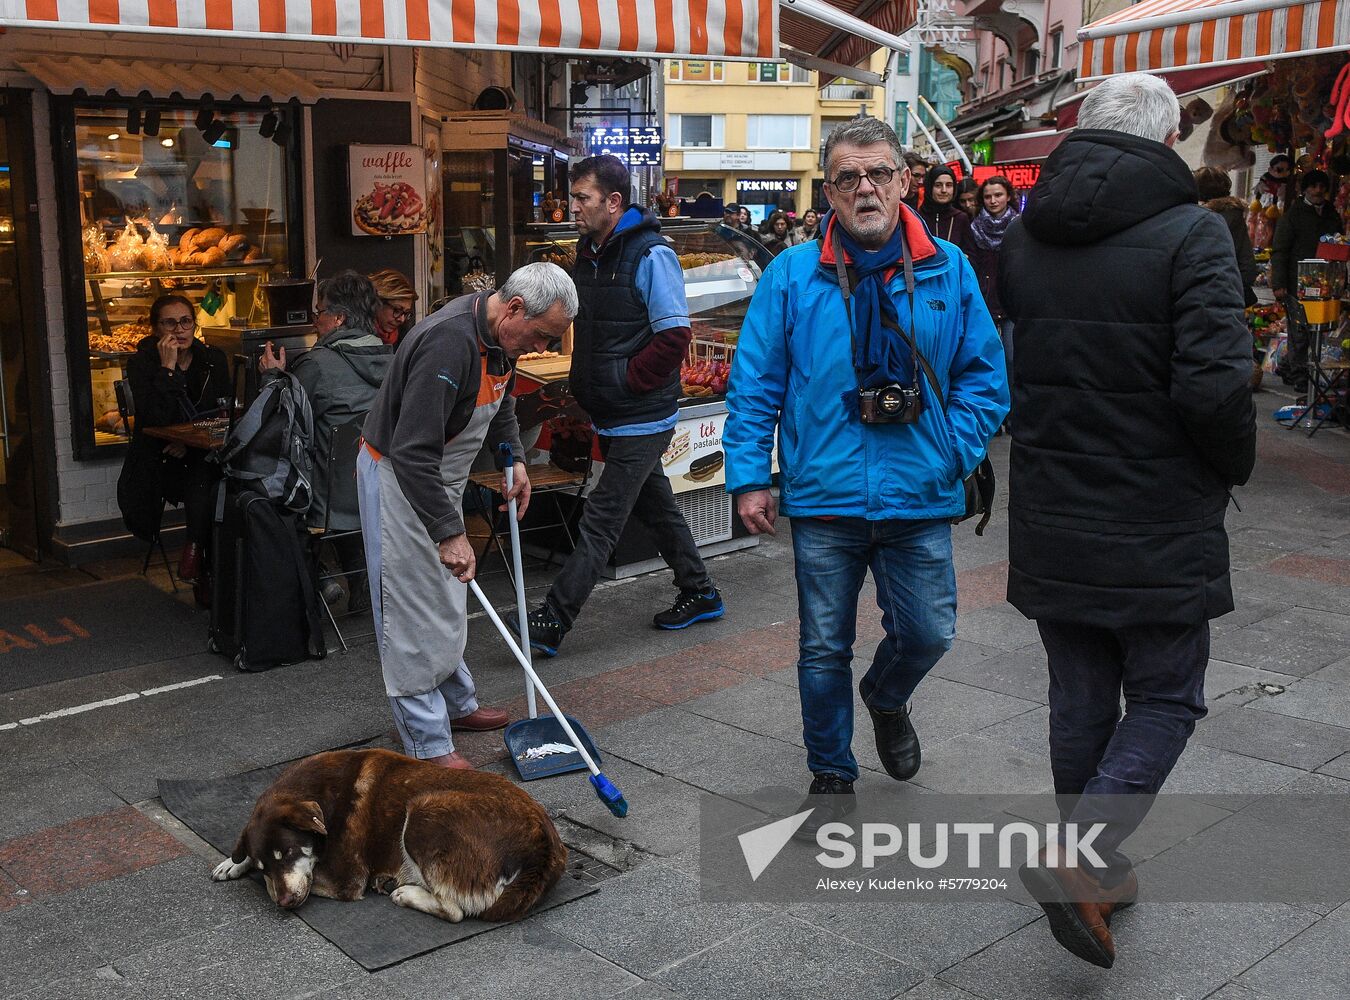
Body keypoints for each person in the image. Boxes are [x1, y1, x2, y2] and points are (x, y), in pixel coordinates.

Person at [998, 73, 1256, 969]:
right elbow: (1216, 387)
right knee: (1166, 693)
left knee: (1079, 697)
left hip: (1054, 504)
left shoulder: (1028, 237)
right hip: (1154, 509)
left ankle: (1098, 876)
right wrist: (1232, 465)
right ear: (1165, 141)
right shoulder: (1193, 236)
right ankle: (1082, 860)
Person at [724, 116, 1008, 839]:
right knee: (823, 645)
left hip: (919, 490)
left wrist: (952, 449)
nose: (866, 188)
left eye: (879, 173)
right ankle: (831, 771)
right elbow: (755, 383)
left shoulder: (948, 265)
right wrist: (751, 475)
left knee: (930, 633)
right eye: (848, 177)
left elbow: (985, 377)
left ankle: (887, 695)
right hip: (825, 495)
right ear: (829, 191)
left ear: (905, 181)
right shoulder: (793, 274)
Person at [358, 263, 576, 769]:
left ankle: (456, 703)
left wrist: (513, 455)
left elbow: (499, 397)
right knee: (410, 606)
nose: (543, 349)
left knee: (448, 595)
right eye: (542, 336)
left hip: (440, 476)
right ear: (516, 308)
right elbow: (412, 452)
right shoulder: (447, 343)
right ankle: (426, 741)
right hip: (401, 476)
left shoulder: (500, 336)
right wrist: (449, 532)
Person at [521, 154, 723, 657]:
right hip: (610, 409)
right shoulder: (588, 252)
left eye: (582, 199)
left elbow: (674, 336)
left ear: (613, 202)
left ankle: (553, 618)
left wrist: (626, 382)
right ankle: (699, 591)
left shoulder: (652, 254)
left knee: (602, 518)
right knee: (656, 504)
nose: (574, 209)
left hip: (642, 413)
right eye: (573, 199)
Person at [259, 270, 394, 610]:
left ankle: (318, 577)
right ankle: (359, 578)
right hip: (382, 495)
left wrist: (272, 377)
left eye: (319, 312)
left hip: (327, 501)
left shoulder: (317, 365)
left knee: (262, 488)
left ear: (338, 318)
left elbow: (277, 422)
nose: (315, 320)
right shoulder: (396, 360)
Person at [118, 294, 231, 608]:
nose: (179, 330)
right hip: (160, 459)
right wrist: (168, 370)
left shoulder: (212, 359)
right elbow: (153, 418)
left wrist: (188, 440)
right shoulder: (141, 363)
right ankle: (203, 567)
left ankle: (197, 553)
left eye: (186, 322)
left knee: (210, 475)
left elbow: (223, 414)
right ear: (156, 328)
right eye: (170, 322)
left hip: (202, 453)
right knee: (204, 479)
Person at [1269, 168, 1341, 398]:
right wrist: (1279, 283)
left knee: (1320, 332)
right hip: (1296, 281)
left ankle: (1298, 369)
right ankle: (1300, 375)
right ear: (1305, 189)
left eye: (1321, 187)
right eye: (1314, 186)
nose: (1318, 191)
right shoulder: (1294, 214)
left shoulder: (1331, 214)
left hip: (1326, 283)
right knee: (1299, 331)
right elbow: (1280, 251)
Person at [969, 175, 1019, 408]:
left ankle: (1012, 408)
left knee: (1011, 358)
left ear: (1008, 196)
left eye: (998, 195)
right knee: (987, 359)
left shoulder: (1020, 227)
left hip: (1012, 302)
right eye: (988, 196)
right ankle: (993, 408)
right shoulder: (974, 227)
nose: (993, 200)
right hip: (984, 300)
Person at [1194, 166, 1259, 307]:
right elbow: (1245, 258)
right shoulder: (1233, 214)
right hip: (1231, 287)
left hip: (1209, 290)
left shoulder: (1201, 217)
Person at [918, 164, 976, 258]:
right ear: (929, 187)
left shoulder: (960, 218)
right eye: (938, 185)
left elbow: (972, 256)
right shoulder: (918, 217)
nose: (944, 190)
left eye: (949, 185)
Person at [368, 268, 419, 347]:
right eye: (397, 310)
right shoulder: (356, 336)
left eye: (406, 313)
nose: (401, 319)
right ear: (377, 302)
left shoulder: (405, 338)